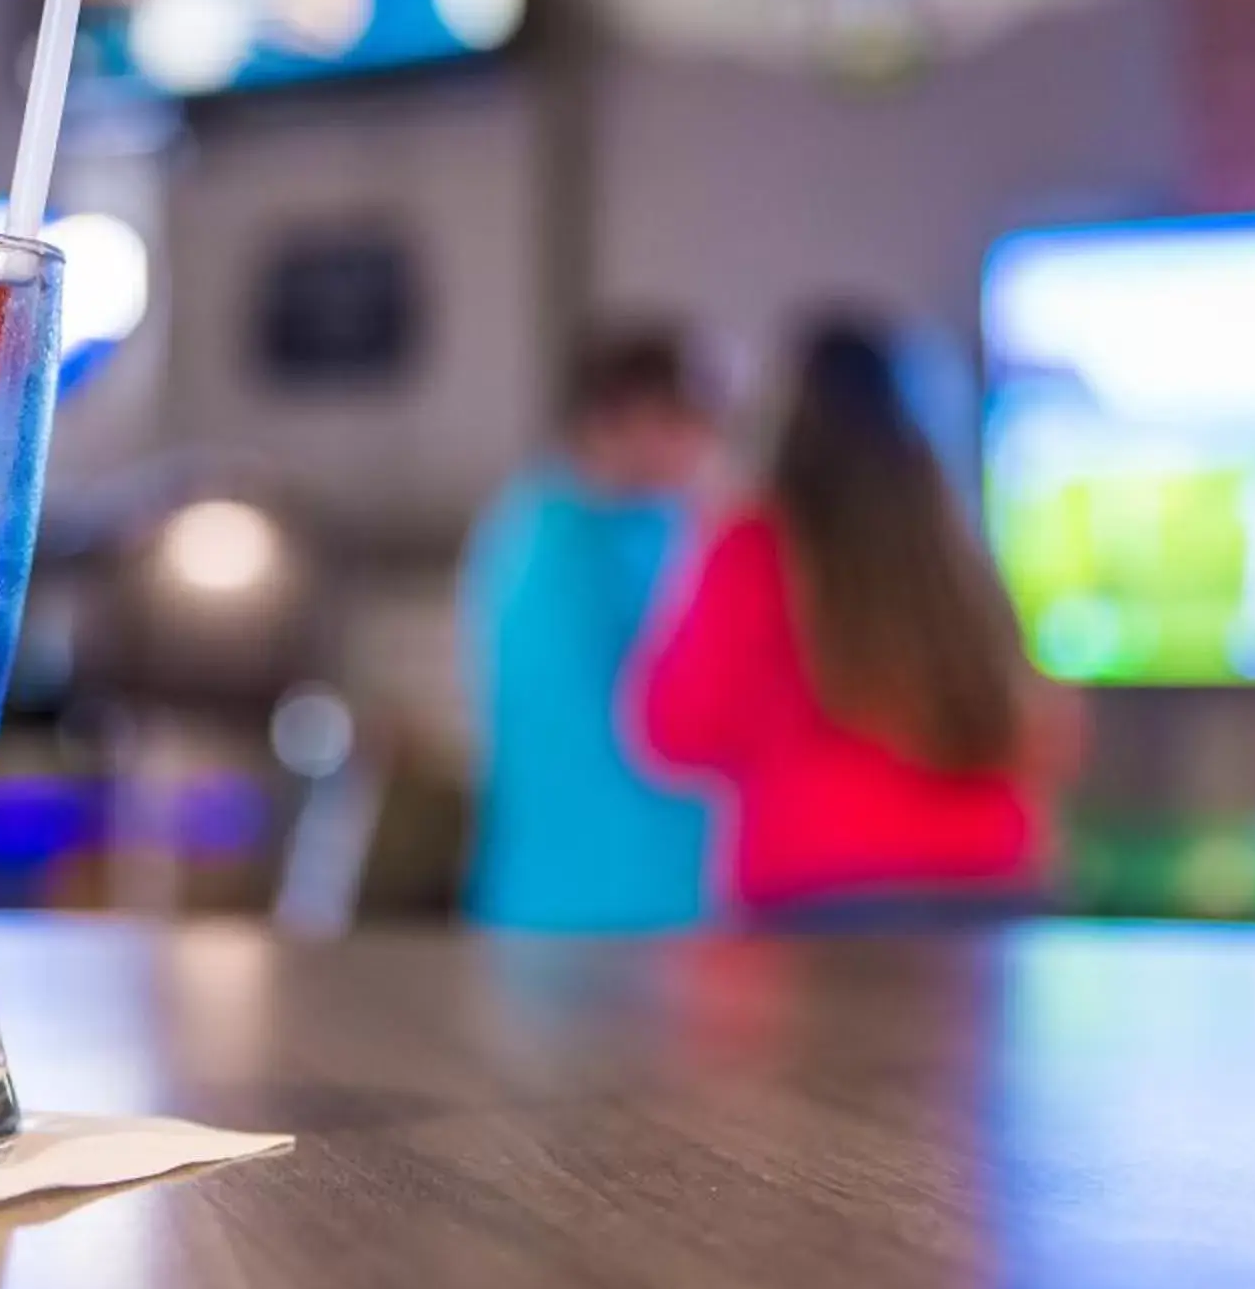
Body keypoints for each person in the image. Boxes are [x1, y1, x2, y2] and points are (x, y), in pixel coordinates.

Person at [638, 312, 1075, 922]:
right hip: (993, 880)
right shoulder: (949, 543)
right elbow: (1041, 728)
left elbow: (677, 727)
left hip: (822, 892)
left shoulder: (756, 544)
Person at [458, 322, 723, 930]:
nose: (701, 448)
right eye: (685, 424)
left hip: (560, 899)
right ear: (621, 422)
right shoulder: (562, 541)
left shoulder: (525, 526)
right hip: (623, 902)